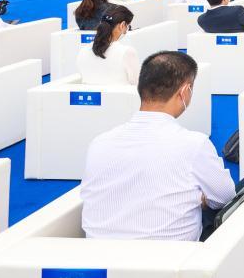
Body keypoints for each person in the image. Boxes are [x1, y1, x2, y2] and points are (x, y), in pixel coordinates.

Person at [80, 51, 236, 241]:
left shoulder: (99, 143)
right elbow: (225, 197)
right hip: (173, 256)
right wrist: (199, 199)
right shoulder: (194, 144)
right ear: (184, 91)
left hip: (99, 254)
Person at [77, 4, 140, 85]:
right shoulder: (127, 52)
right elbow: (137, 84)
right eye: (128, 27)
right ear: (122, 25)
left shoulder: (83, 52)